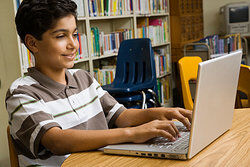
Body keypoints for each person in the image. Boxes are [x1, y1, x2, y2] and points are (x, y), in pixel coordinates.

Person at [5, 0, 192, 166]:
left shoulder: (83, 77)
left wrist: (160, 112)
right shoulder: (21, 93)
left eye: (75, 34)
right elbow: (57, 141)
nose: (73, 44)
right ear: (32, 43)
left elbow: (121, 116)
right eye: (61, 36)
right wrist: (133, 134)